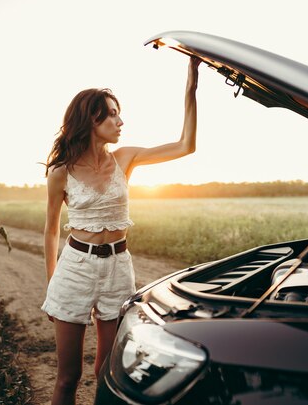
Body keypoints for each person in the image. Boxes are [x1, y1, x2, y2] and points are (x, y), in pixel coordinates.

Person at [41, 56, 200, 405]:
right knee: (68, 378)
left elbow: (186, 145)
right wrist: (52, 283)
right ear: (90, 118)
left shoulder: (125, 158)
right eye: (112, 113)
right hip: (75, 271)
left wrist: (191, 87)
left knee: (108, 373)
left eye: (118, 112)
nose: (120, 121)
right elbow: (51, 230)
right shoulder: (61, 172)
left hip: (117, 268)